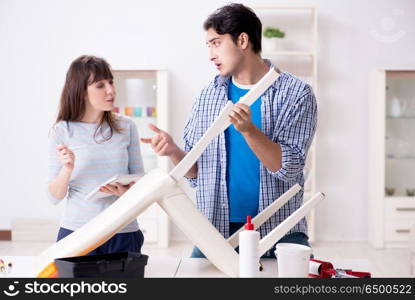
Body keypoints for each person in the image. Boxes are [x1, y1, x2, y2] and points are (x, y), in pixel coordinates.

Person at [141, 3, 317, 258]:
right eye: (208, 46)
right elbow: (197, 175)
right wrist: (173, 151)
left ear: (242, 40)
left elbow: (289, 169)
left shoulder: (296, 94)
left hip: (279, 232)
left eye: (216, 43)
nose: (211, 55)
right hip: (214, 232)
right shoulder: (208, 96)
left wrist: (249, 131)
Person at [48, 55, 145, 255]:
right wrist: (67, 169)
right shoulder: (62, 131)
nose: (111, 90)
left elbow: (141, 183)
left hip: (123, 231)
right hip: (78, 232)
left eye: (111, 82)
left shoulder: (126, 127)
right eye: (100, 85)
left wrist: (128, 192)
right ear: (81, 91)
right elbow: (53, 196)